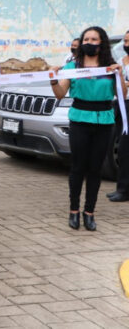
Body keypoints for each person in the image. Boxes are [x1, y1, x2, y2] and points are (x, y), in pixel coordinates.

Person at [52, 26, 124, 230]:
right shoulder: (73, 66)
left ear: (102, 43)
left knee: (95, 169)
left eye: (94, 39)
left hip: (104, 121)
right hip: (80, 119)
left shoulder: (110, 67)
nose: (89, 43)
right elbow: (60, 93)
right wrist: (52, 80)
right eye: (86, 39)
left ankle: (89, 212)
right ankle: (73, 210)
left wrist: (119, 75)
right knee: (78, 167)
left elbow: (122, 93)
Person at [107, 30, 129, 202]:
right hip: (121, 106)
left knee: (124, 148)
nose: (127, 45)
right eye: (126, 41)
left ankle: (124, 190)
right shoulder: (121, 61)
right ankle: (122, 188)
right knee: (122, 149)